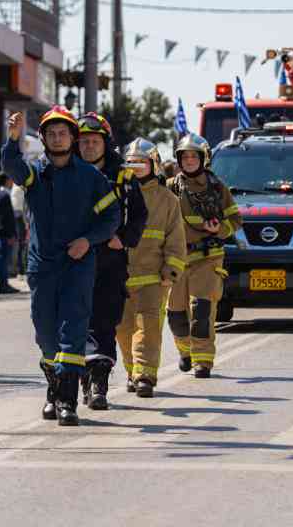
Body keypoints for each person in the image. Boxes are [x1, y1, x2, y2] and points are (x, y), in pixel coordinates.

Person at [1, 108, 120, 426]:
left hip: (77, 265)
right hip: (42, 267)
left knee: (73, 331)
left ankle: (67, 402)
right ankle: (53, 392)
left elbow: (111, 218)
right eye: (51, 134)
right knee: (46, 335)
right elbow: (11, 166)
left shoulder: (91, 177)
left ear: (73, 138)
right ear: (43, 139)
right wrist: (12, 140)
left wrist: (89, 239)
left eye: (63, 133)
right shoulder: (35, 174)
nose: (57, 138)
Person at [76, 112, 148, 409]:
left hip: (110, 260)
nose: (89, 146)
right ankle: (80, 378)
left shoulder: (123, 176)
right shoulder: (66, 172)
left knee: (105, 322)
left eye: (94, 141)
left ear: (105, 143)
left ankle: (98, 385)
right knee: (76, 323)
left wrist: (124, 239)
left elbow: (140, 215)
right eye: (83, 142)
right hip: (74, 259)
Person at [166, 133, 242, 379]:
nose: (188, 161)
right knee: (176, 313)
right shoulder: (169, 188)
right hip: (176, 259)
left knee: (201, 310)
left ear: (203, 158)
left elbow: (235, 220)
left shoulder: (218, 188)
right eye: (184, 156)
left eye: (193, 156)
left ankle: (203, 361)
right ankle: (186, 352)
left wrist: (218, 229)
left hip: (208, 258)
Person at [116, 138, 187, 398]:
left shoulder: (168, 200)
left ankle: (145, 375)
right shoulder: (117, 194)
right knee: (122, 328)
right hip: (119, 275)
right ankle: (132, 370)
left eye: (141, 162)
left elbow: (176, 239)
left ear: (154, 165)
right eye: (131, 162)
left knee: (148, 325)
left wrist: (171, 269)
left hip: (152, 278)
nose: (136, 167)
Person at [0, 173, 20, 294]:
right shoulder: (4, 195)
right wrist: (11, 235)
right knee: (3, 260)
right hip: (5, 233)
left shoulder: (1, 194)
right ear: (6, 180)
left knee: (3, 259)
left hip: (1, 232)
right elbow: (6, 218)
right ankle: (3, 284)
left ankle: (3, 283)